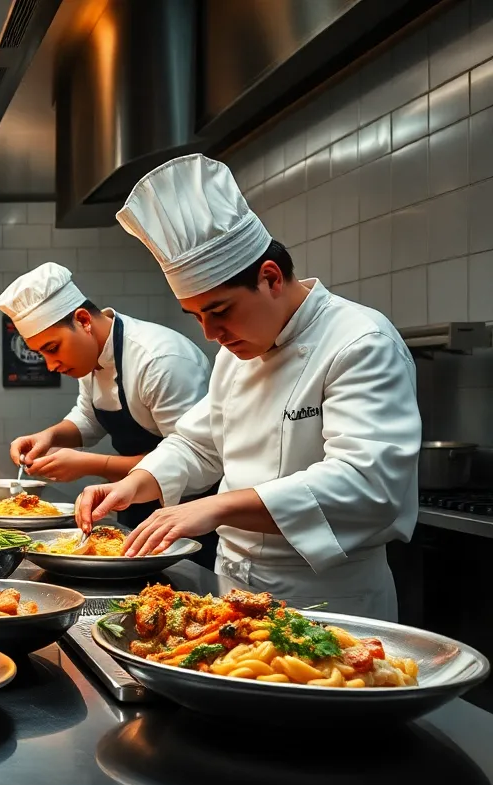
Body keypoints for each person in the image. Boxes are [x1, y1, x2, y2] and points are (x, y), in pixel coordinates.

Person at [75, 153, 420, 620]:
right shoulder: (235, 354)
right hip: (231, 587)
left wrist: (217, 508)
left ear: (271, 278)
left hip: (330, 600)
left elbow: (368, 485)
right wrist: (136, 483)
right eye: (196, 317)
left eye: (220, 311)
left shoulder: (360, 342)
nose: (210, 334)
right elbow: (199, 444)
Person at [0, 263, 211, 536]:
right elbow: (88, 416)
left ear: (83, 320)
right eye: (42, 354)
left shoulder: (159, 361)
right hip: (135, 504)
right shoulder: (91, 358)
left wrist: (89, 464)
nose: (50, 365)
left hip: (186, 516)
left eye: (52, 349)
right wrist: (49, 436)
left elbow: (192, 460)